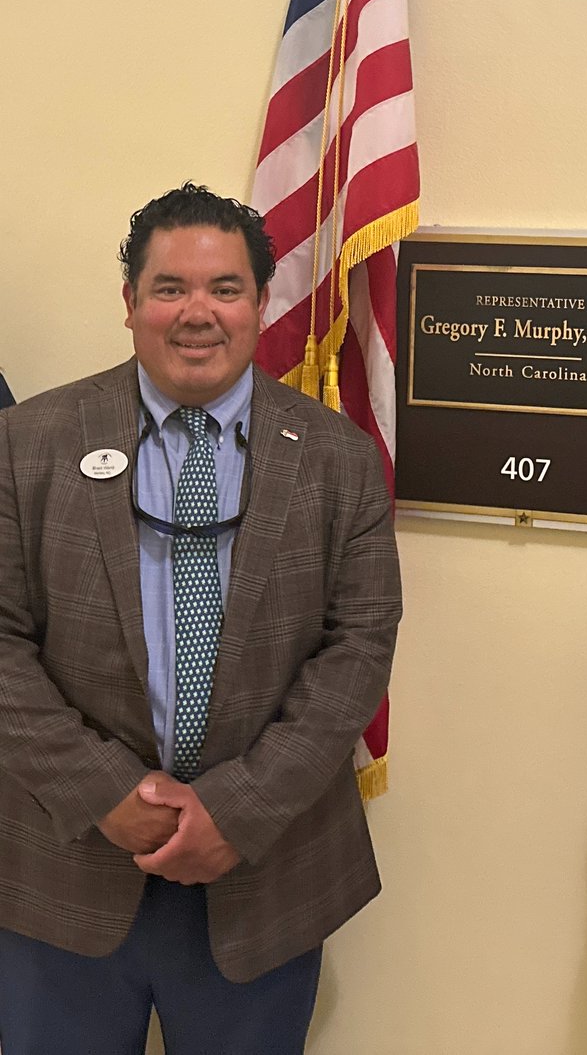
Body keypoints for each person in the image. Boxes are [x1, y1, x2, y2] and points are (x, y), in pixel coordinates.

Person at [0, 183, 402, 1054]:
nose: (197, 314)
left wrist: (238, 809)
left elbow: (359, 647)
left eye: (224, 289)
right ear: (130, 303)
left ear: (262, 302)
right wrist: (104, 791)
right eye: (169, 288)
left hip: (264, 879)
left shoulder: (339, 459)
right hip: (61, 872)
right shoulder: (28, 442)